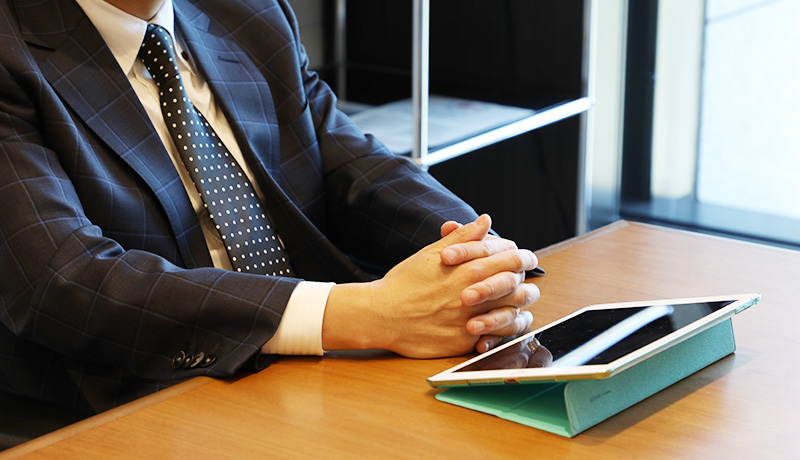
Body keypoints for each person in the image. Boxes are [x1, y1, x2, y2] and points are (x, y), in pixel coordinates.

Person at [0, 0, 540, 415]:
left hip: (322, 362)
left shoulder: (248, 11)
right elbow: (63, 280)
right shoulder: (12, 48)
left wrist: (479, 258)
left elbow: (350, 162)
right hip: (138, 392)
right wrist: (367, 314)